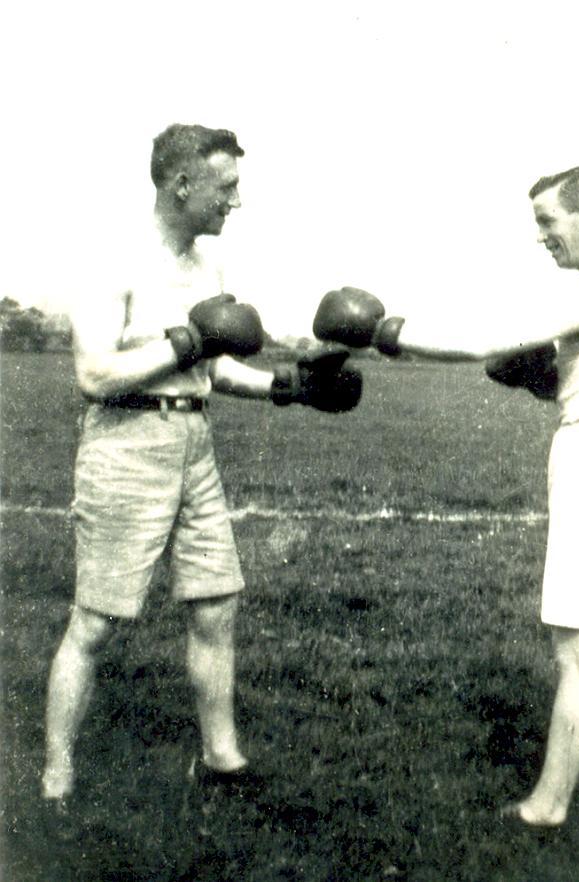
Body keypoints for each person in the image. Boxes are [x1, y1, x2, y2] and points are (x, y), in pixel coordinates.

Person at [312, 166, 579, 827]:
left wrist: (383, 332)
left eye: (549, 223)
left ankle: (546, 808)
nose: (543, 238)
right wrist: (549, 382)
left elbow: (480, 340)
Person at [41, 123, 362, 838]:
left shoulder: (208, 266)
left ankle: (223, 757)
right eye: (226, 186)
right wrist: (184, 339)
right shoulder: (111, 259)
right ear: (181, 183)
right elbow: (94, 374)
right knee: (95, 620)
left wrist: (290, 388)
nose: (236, 201)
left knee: (217, 605)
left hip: (195, 441)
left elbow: (212, 369)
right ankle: (56, 772)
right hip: (125, 443)